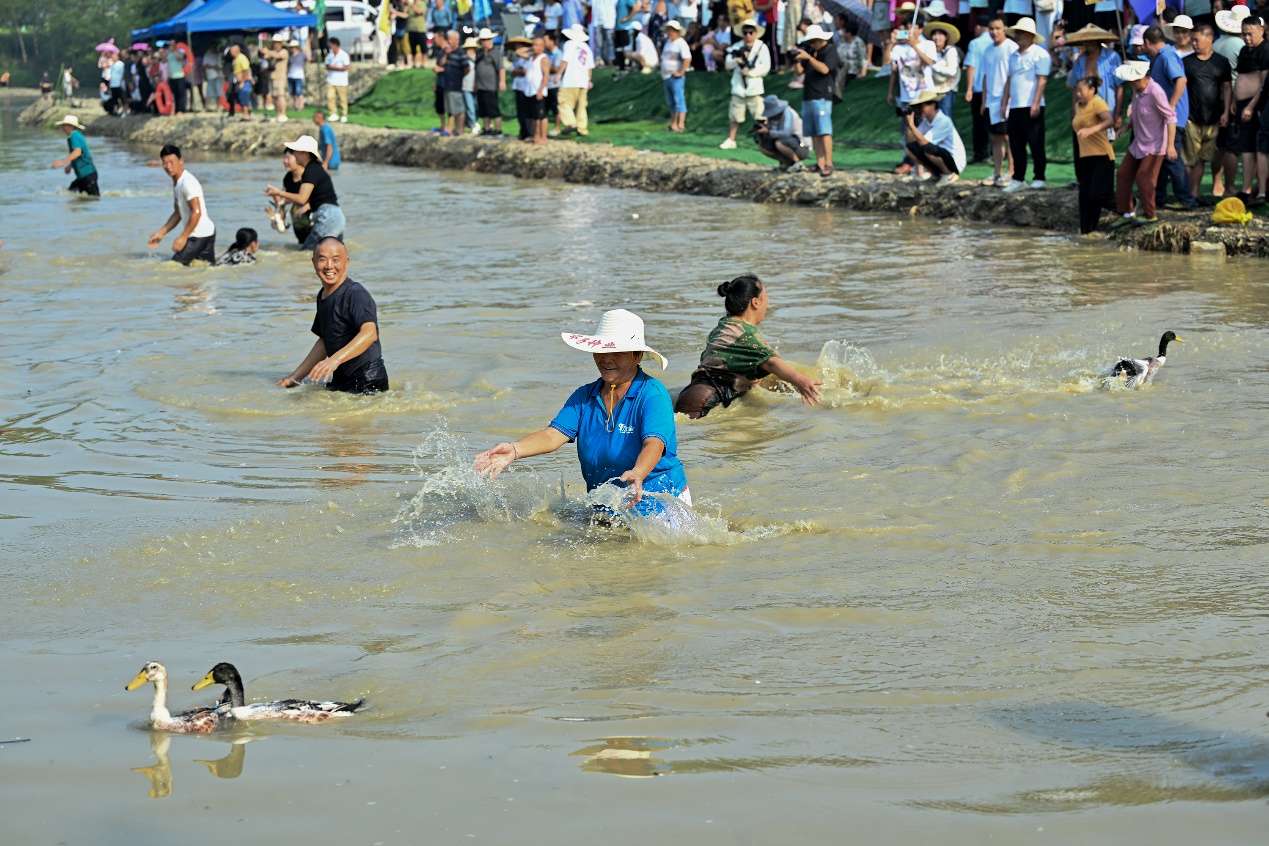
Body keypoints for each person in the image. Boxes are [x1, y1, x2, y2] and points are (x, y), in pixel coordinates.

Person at [474, 309, 689, 518]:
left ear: (637, 355)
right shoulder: (585, 396)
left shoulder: (653, 394)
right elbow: (552, 435)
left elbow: (654, 443)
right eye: (601, 351)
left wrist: (639, 473)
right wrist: (514, 449)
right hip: (607, 504)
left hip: (659, 500)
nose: (606, 359)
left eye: (617, 352)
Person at [675, 275, 822, 418]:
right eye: (766, 298)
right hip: (703, 402)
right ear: (756, 302)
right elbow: (772, 363)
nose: (768, 305)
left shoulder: (725, 327)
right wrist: (802, 382)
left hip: (693, 395)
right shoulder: (744, 336)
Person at [279, 238, 389, 395]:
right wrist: (295, 378)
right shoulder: (322, 295)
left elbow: (369, 333)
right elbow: (325, 341)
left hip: (367, 380)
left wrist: (334, 360)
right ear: (313, 262)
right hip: (341, 378)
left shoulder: (355, 294)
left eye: (336, 260)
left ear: (347, 262)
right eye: (322, 259)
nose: (329, 266)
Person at [1111, 60, 1176, 227]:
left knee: (1144, 177)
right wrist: (1126, 126)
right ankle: (1126, 212)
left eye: (1133, 81)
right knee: (1123, 174)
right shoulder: (1137, 91)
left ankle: (1150, 214)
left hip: (1155, 146)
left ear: (1142, 78)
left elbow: (1170, 117)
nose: (1131, 84)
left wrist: (1170, 145)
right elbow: (1136, 112)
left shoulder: (1155, 92)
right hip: (1138, 143)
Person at [1143, 26, 1196, 209]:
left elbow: (1181, 80)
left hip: (1173, 119)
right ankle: (1159, 197)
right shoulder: (1162, 56)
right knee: (1164, 158)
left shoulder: (1166, 56)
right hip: (1166, 118)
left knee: (1172, 158)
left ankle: (1186, 199)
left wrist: (1171, 105)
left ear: (1148, 43)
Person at [266, 135, 346, 248]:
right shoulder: (314, 168)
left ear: (304, 153)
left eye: (295, 152)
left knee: (307, 254)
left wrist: (279, 192)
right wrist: (277, 197)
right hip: (334, 217)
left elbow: (302, 199)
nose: (294, 154)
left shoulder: (311, 171)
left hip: (327, 216)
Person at [1000, 17, 1051, 192]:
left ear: (1030, 35)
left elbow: (1042, 80)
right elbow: (1009, 80)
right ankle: (1018, 178)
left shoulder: (1040, 54)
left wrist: (1036, 103)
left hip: (1032, 105)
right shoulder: (1013, 55)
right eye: (1017, 33)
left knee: (1036, 143)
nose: (1018, 36)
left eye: (1021, 33)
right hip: (1015, 106)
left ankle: (1039, 177)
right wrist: (1004, 102)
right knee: (1016, 144)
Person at [1184, 23, 1232, 195]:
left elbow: (1226, 88)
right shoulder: (1186, 63)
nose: (1193, 43)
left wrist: (1226, 111)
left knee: (1204, 158)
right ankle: (1189, 194)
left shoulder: (1221, 62)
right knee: (1191, 159)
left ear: (1209, 39)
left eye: (1196, 40)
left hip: (1214, 118)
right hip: (1192, 118)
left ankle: (1196, 193)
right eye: (1192, 40)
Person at [148, 144, 217, 265]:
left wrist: (183, 237)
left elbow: (197, 212)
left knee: (174, 268)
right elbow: (178, 213)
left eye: (171, 162)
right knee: (205, 271)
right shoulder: (177, 182)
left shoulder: (187, 183)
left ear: (181, 161)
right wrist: (161, 233)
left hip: (199, 235)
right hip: (207, 232)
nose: (168, 167)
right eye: (165, 163)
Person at [888, 23, 936, 174]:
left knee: (926, 132)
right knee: (908, 132)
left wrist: (915, 46)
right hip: (906, 96)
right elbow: (890, 67)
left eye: (913, 27)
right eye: (907, 27)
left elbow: (929, 62)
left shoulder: (928, 44)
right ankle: (912, 164)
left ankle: (929, 165)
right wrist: (890, 43)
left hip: (924, 96)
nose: (909, 30)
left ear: (920, 29)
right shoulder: (898, 48)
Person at [1230, 16, 1269, 203]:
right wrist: (1234, 101)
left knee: (1260, 149)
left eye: (1250, 34)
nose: (1246, 38)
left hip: (1257, 105)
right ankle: (1245, 189)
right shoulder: (1245, 50)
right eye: (1243, 34)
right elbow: (1240, 78)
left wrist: (1252, 106)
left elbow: (1264, 84)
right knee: (1246, 149)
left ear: (1261, 30)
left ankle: (1262, 191)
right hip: (1241, 104)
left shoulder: (1265, 50)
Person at [791, 24, 839, 177]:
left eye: (813, 42)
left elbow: (825, 69)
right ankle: (819, 163)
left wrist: (809, 58)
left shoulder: (830, 50)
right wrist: (796, 59)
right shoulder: (811, 51)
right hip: (809, 94)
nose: (811, 45)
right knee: (814, 132)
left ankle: (829, 163)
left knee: (824, 131)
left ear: (820, 39)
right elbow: (799, 72)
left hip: (822, 95)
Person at [1071, 75, 1116, 233]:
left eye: (1081, 91)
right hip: (1085, 157)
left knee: (1099, 195)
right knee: (1085, 197)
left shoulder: (1097, 102)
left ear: (1092, 90)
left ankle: (1129, 205)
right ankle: (1087, 232)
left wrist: (1091, 130)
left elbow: (1110, 121)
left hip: (1102, 156)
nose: (1078, 94)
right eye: (1076, 91)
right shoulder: (1078, 106)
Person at [721, 18, 772, 149]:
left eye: (751, 32)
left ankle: (766, 141)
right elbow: (727, 64)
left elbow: (765, 68)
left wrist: (750, 72)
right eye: (745, 33)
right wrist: (737, 61)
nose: (748, 35)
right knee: (734, 115)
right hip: (739, 86)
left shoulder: (761, 47)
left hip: (754, 87)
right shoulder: (736, 47)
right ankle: (731, 139)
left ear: (755, 33)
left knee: (760, 116)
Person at [980, 17, 1018, 186]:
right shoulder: (987, 50)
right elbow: (986, 76)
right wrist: (983, 101)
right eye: (991, 28)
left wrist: (1006, 99)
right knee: (995, 137)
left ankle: (1011, 171)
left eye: (997, 28)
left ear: (1004, 29)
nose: (994, 32)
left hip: (1007, 100)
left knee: (1009, 137)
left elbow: (1012, 76)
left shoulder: (1011, 47)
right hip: (991, 100)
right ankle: (997, 172)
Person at [904, 87, 967, 183]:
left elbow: (925, 143)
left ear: (933, 105)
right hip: (942, 158)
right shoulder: (926, 121)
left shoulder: (943, 121)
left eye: (922, 106)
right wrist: (909, 124)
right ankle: (936, 175)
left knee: (928, 149)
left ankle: (948, 175)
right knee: (910, 149)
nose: (919, 109)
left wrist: (912, 126)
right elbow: (911, 142)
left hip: (955, 162)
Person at [962, 15, 993, 163]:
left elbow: (971, 66)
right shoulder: (998, 42)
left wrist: (969, 88)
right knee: (995, 122)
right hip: (995, 89)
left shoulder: (975, 43)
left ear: (978, 27)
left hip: (979, 88)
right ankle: (996, 153)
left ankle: (981, 153)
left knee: (979, 123)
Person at [558, 25, 594, 137]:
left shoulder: (569, 44)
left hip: (570, 79)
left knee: (564, 103)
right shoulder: (587, 48)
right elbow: (589, 67)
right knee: (582, 106)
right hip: (583, 80)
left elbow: (565, 60)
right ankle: (582, 128)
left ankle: (570, 123)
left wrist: (558, 74)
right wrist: (589, 80)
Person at [753, 95, 806, 170]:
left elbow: (786, 133)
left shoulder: (788, 113)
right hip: (789, 142)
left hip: (801, 145)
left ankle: (797, 163)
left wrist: (768, 131)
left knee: (780, 143)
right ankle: (785, 163)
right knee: (763, 145)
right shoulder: (774, 116)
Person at [50, 115, 99, 196]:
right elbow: (78, 155)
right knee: (72, 196)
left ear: (70, 126)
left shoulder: (74, 136)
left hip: (88, 175)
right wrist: (70, 165)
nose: (62, 128)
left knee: (94, 199)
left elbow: (77, 152)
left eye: (64, 125)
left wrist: (63, 162)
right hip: (83, 176)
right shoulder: (74, 136)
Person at [925, 19, 962, 118]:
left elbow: (952, 71)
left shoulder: (951, 51)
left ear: (946, 37)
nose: (937, 38)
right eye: (935, 34)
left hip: (947, 89)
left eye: (940, 34)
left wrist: (933, 65)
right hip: (932, 89)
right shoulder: (929, 52)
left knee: (945, 116)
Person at [661, 20, 692, 133]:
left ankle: (681, 124)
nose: (670, 32)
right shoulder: (668, 42)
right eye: (669, 30)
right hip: (666, 75)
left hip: (676, 77)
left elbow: (687, 58)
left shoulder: (681, 43)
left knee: (679, 100)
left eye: (672, 30)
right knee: (671, 102)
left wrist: (681, 71)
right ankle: (673, 123)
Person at [474, 28, 505, 135]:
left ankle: (498, 129)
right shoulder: (479, 53)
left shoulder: (495, 53)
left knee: (493, 108)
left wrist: (502, 81)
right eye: (483, 40)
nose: (485, 42)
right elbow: (476, 68)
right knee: (483, 109)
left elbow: (501, 68)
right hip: (480, 85)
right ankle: (486, 128)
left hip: (491, 86)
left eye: (487, 40)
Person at [438, 31, 469, 135]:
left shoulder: (461, 52)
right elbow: (440, 64)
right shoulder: (445, 52)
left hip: (456, 84)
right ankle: (455, 129)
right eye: (449, 39)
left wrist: (459, 76)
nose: (450, 41)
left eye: (453, 39)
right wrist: (447, 54)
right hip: (447, 85)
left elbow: (466, 68)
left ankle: (460, 130)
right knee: (451, 110)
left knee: (459, 110)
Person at [525, 34, 552, 144]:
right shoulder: (532, 58)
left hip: (538, 90)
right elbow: (520, 52)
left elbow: (546, 75)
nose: (535, 47)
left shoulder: (543, 59)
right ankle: (535, 135)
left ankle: (543, 136)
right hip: (530, 90)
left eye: (538, 45)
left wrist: (541, 89)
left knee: (541, 115)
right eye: (534, 45)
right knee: (534, 116)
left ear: (542, 47)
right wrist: (530, 49)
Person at [264, 34, 290, 123]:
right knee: (274, 97)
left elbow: (278, 56)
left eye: (278, 43)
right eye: (275, 43)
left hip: (281, 78)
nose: (276, 45)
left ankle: (283, 114)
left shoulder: (284, 52)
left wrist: (268, 52)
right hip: (273, 77)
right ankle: (278, 114)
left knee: (280, 96)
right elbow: (266, 57)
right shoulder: (272, 52)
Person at [325, 37, 352, 123]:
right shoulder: (329, 55)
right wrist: (336, 67)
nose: (330, 47)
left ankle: (343, 114)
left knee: (342, 99)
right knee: (330, 97)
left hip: (341, 81)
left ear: (335, 45)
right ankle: (333, 114)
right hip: (331, 80)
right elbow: (327, 66)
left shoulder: (344, 55)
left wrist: (334, 67)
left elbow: (346, 67)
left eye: (331, 45)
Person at [230, 43, 253, 119]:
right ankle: (246, 114)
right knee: (241, 97)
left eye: (231, 51)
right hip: (240, 81)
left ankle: (246, 115)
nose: (230, 52)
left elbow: (246, 70)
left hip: (244, 82)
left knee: (244, 97)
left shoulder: (241, 58)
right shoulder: (236, 59)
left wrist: (242, 81)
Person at [287, 40, 307, 111]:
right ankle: (295, 106)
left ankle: (301, 106)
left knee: (299, 92)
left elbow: (307, 60)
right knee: (293, 92)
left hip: (298, 76)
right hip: (290, 75)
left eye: (293, 47)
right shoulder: (290, 56)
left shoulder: (302, 55)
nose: (292, 49)